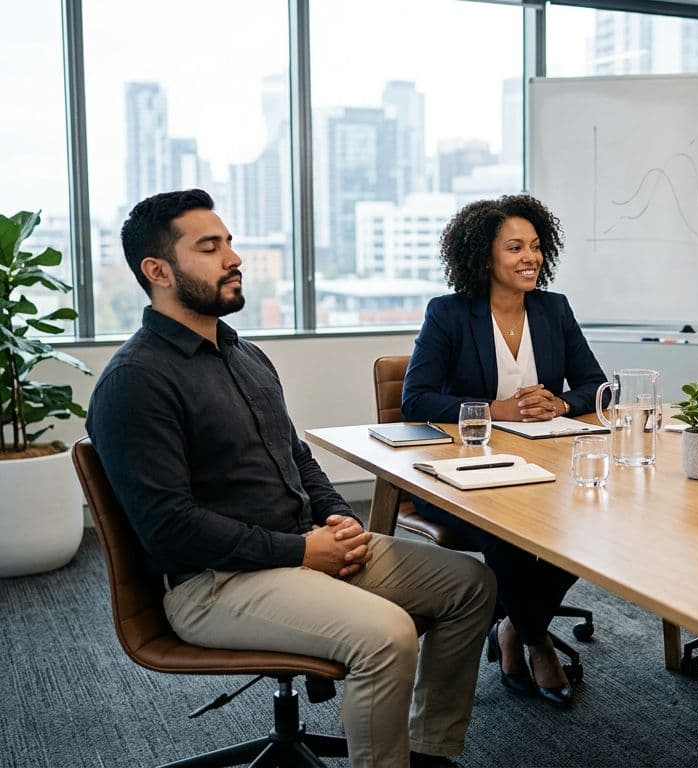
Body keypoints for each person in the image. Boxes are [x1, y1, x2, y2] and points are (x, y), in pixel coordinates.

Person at [87, 189, 496, 768]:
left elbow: (297, 457)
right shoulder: (136, 381)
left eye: (229, 241)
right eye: (210, 247)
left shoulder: (244, 353)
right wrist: (303, 551)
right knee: (387, 634)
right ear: (158, 271)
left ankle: (428, 752)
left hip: (303, 546)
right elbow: (168, 530)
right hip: (217, 582)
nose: (234, 257)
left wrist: (342, 521)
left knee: (470, 585)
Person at [402, 194, 606, 709]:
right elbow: (416, 399)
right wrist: (496, 410)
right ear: (483, 256)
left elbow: (597, 386)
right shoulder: (449, 313)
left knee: (592, 521)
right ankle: (534, 640)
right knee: (511, 536)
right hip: (462, 479)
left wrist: (559, 400)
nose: (529, 258)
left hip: (545, 470)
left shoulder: (553, 309)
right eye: (514, 247)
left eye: (536, 247)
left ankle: (514, 624)